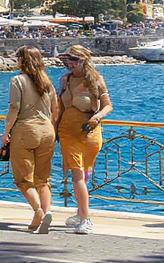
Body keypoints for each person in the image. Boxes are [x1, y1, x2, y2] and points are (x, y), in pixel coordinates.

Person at [57, 45, 112, 235]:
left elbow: (107, 106)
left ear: (83, 60)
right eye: (67, 59)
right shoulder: (65, 80)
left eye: (74, 59)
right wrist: (54, 130)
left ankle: (82, 213)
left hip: (89, 131)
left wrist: (97, 117)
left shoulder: (95, 80)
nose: (69, 63)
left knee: (83, 174)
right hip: (67, 130)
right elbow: (60, 108)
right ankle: (84, 216)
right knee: (77, 174)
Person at [3, 46, 58, 233]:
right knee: (43, 179)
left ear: (21, 60)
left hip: (25, 131)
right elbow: (55, 109)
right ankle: (46, 213)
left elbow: (14, 108)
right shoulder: (47, 82)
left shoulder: (17, 80)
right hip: (47, 131)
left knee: (22, 178)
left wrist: (6, 133)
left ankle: (38, 211)